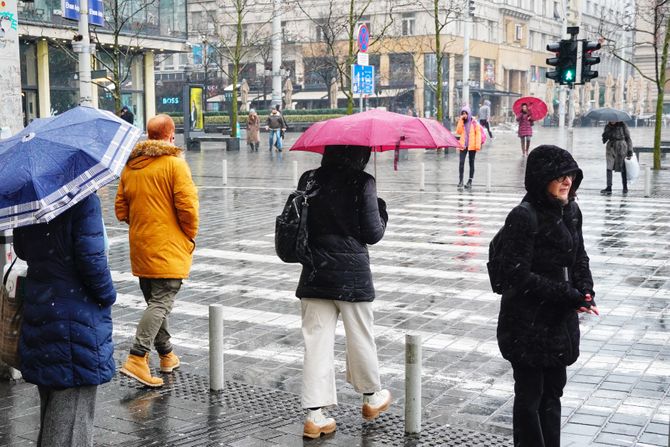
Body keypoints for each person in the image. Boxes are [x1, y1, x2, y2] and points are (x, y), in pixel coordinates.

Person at [496, 144, 597, 447]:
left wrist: (586, 291)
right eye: (560, 175)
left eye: (571, 175)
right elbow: (518, 275)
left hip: (558, 323)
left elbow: (579, 256)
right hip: (525, 323)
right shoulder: (523, 217)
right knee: (530, 396)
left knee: (553, 393)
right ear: (542, 178)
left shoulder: (571, 210)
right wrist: (567, 294)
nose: (567, 181)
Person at [296, 145, 391, 439]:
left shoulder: (309, 179)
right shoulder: (362, 182)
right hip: (352, 276)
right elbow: (372, 233)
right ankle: (370, 398)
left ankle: (315, 416)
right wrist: (381, 208)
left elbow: (303, 223)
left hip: (315, 271)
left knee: (316, 342)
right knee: (360, 336)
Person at [14, 193, 116, 446]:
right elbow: (92, 262)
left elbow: (21, 249)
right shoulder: (82, 199)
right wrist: (108, 295)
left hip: (42, 310)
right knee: (72, 419)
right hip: (76, 318)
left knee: (52, 407)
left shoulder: (30, 200)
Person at [115, 114, 199, 387]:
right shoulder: (175, 165)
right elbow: (188, 209)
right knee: (162, 302)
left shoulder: (131, 167)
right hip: (168, 246)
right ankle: (137, 357)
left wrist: (142, 222)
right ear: (170, 135)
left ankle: (167, 355)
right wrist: (188, 235)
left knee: (155, 302)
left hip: (141, 246)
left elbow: (120, 210)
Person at [601, 121, 633, 195]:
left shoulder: (623, 125)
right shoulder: (607, 127)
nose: (612, 120)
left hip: (621, 147)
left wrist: (630, 150)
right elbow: (604, 140)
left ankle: (625, 187)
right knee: (609, 167)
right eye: (611, 119)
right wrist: (606, 134)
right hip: (610, 148)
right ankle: (609, 187)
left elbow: (628, 138)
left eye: (614, 119)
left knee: (623, 168)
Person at [454, 105, 482, 190]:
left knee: (471, 163)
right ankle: (460, 181)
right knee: (461, 163)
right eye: (463, 113)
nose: (464, 115)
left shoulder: (474, 122)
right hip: (463, 145)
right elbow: (458, 131)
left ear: (469, 113)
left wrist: (477, 146)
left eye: (466, 113)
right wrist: (460, 120)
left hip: (472, 146)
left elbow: (478, 134)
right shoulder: (462, 122)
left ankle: (470, 181)